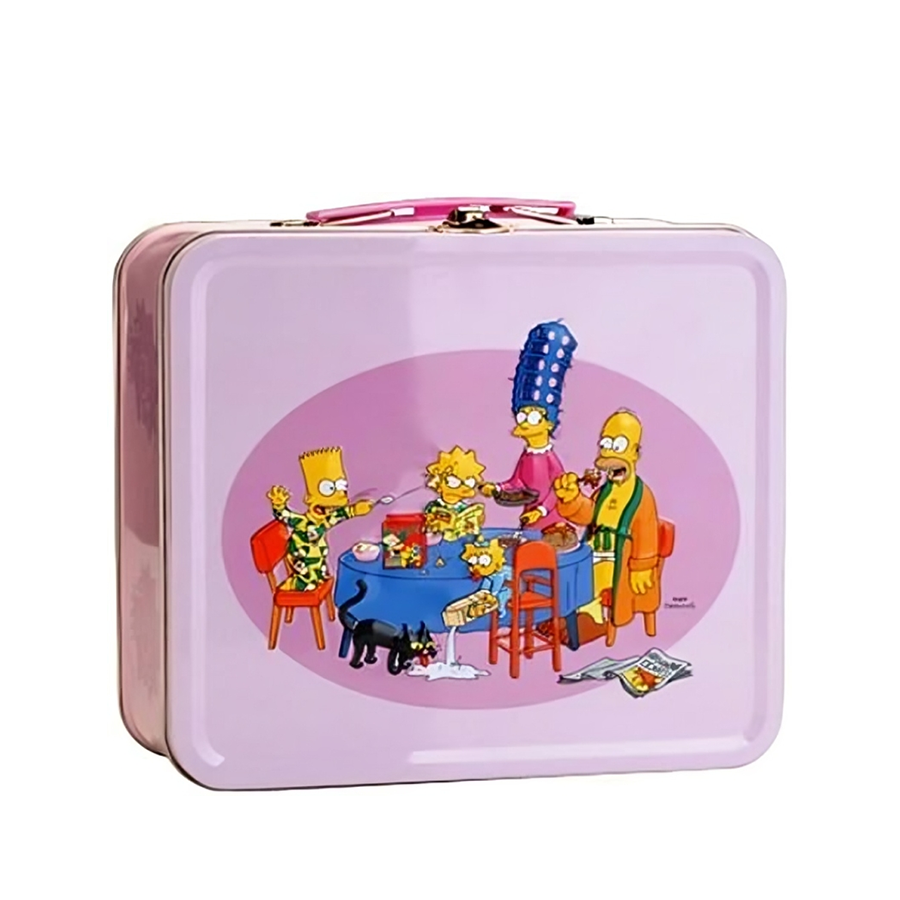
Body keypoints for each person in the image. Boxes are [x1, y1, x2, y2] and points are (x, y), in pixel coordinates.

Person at [482, 321, 576, 530]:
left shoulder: (550, 459)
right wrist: (496, 489)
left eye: (532, 417)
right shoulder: (526, 457)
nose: (524, 422)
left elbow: (556, 492)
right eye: (521, 416)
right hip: (529, 521)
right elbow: (517, 483)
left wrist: (540, 511)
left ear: (548, 423)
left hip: (551, 522)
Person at [267, 446, 374, 591]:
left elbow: (338, 515)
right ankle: (297, 584)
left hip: (319, 570)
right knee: (309, 581)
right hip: (304, 570)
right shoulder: (302, 523)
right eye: (329, 488)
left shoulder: (323, 522)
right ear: (308, 498)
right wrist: (279, 505)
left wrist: (355, 510)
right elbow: (285, 515)